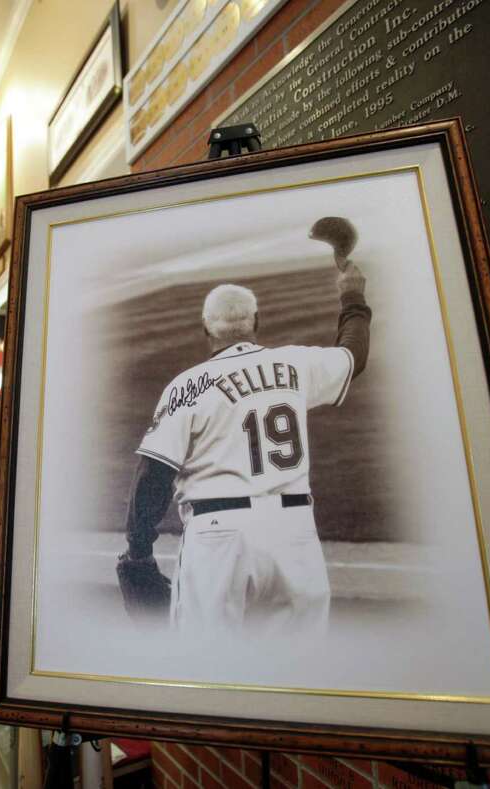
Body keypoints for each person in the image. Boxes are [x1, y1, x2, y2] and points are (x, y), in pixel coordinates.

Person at [117, 216, 372, 637]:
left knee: (210, 675)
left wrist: (138, 549)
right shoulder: (295, 364)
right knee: (299, 673)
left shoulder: (188, 386)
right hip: (294, 537)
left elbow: (153, 474)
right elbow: (353, 356)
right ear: (256, 321)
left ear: (206, 328)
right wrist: (353, 297)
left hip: (219, 540)